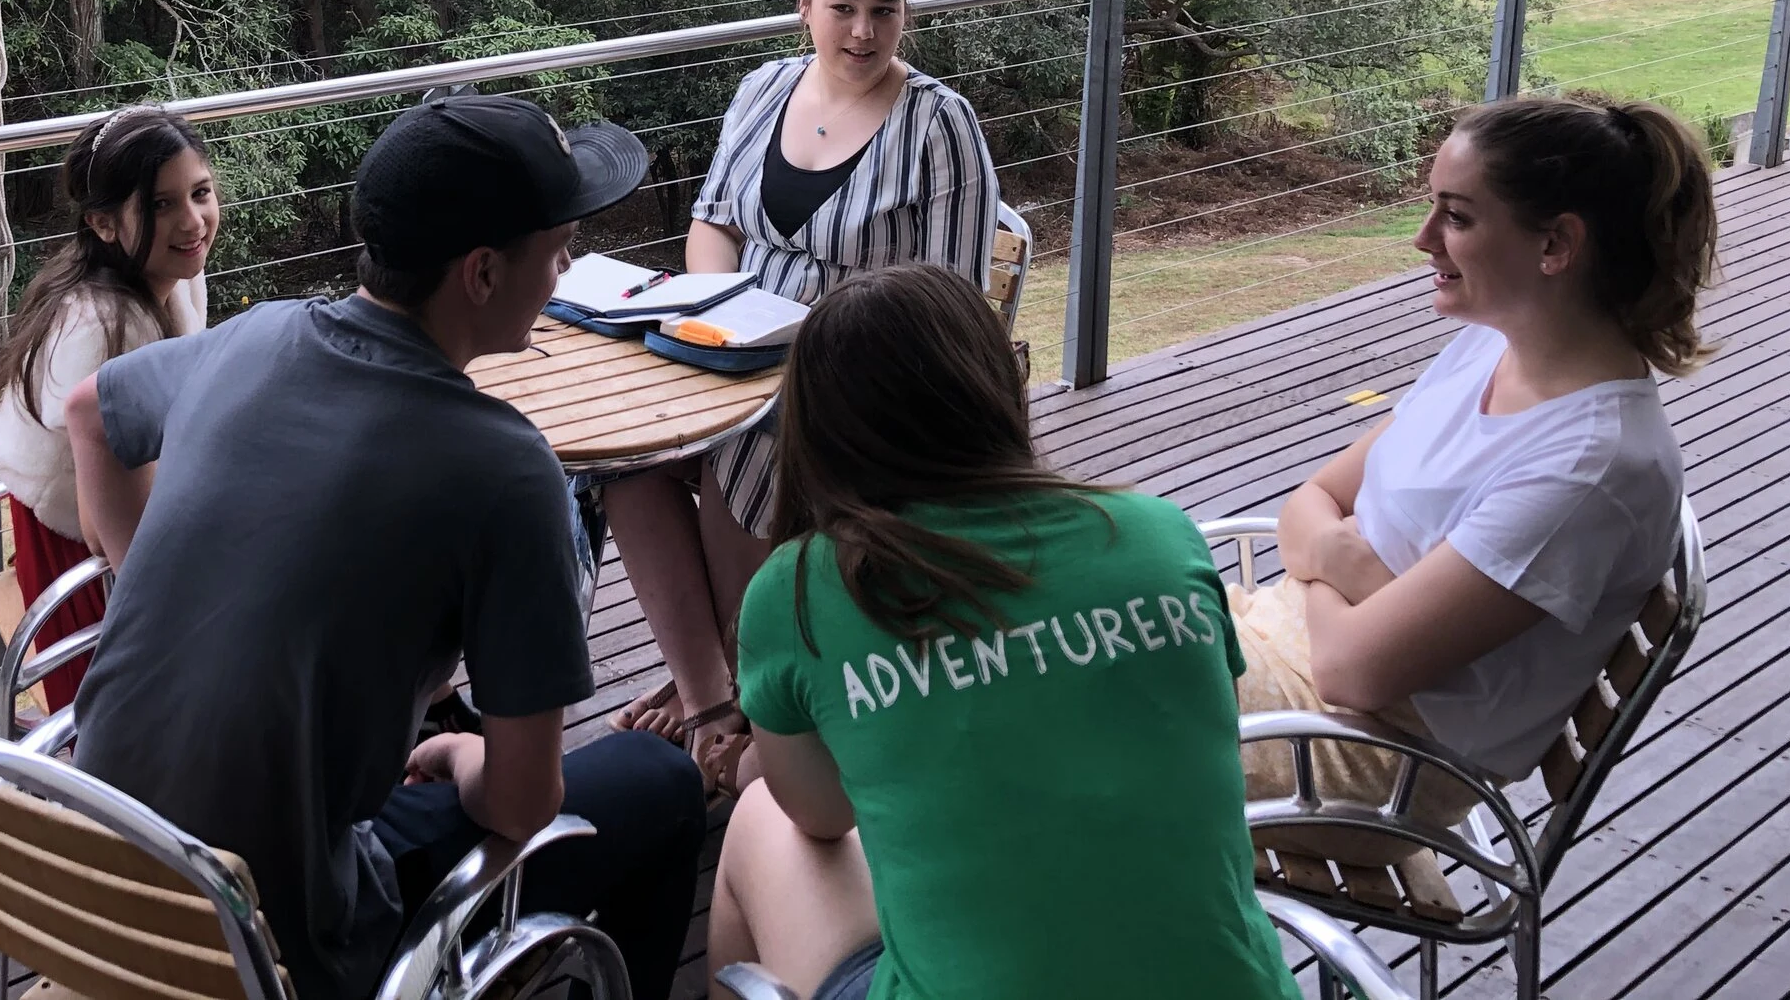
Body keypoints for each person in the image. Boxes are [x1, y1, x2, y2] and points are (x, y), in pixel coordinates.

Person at [63, 90, 707, 1000]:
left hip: (96, 878)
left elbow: (89, 408)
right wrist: (460, 755)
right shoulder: (505, 467)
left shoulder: (257, 333)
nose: (566, 270)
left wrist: (162, 587)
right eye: (558, 249)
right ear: (481, 273)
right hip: (279, 942)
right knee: (661, 777)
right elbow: (525, 801)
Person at [710, 263, 1299, 1000]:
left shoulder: (798, 591)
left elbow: (824, 816)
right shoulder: (1159, 534)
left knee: (760, 813)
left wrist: (746, 763)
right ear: (993, 386)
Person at [606, 0, 1000, 786]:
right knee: (624, 453)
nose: (862, 32)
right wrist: (718, 316)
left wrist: (801, 360)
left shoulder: (939, 125)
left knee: (739, 451)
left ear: (908, 15)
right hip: (733, 345)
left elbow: (949, 303)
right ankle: (710, 691)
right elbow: (712, 217)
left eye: (884, 12)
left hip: (860, 378)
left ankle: (750, 688)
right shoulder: (763, 89)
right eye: (843, 8)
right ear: (805, 8)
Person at [1234, 92, 1711, 819]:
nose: (1423, 238)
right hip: (1284, 648)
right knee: (1061, 635)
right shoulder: (1487, 348)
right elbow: (1311, 499)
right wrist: (1348, 562)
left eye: (1456, 216)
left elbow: (1352, 672)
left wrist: (1333, 558)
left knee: (1056, 686)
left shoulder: (1590, 468)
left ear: (1556, 245)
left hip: (1366, 759)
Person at [0, 105, 219, 713]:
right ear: (105, 224)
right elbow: (108, 534)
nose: (193, 222)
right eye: (161, 205)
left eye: (201, 193)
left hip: (83, 544)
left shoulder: (159, 278)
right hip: (88, 586)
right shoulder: (108, 331)